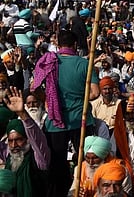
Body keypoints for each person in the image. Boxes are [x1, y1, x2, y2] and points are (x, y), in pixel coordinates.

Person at [35, 30, 100, 197]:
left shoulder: (49, 63)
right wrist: (78, 97)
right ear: (75, 45)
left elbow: (35, 89)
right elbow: (94, 93)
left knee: (56, 165)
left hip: (55, 121)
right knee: (87, 162)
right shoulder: (85, 63)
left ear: (58, 45)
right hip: (81, 119)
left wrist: (51, 100)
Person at [3, 86, 50, 197]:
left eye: (19, 140)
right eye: (10, 141)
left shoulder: (38, 160)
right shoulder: (10, 159)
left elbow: (38, 141)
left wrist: (23, 114)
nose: (14, 145)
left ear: (27, 139)